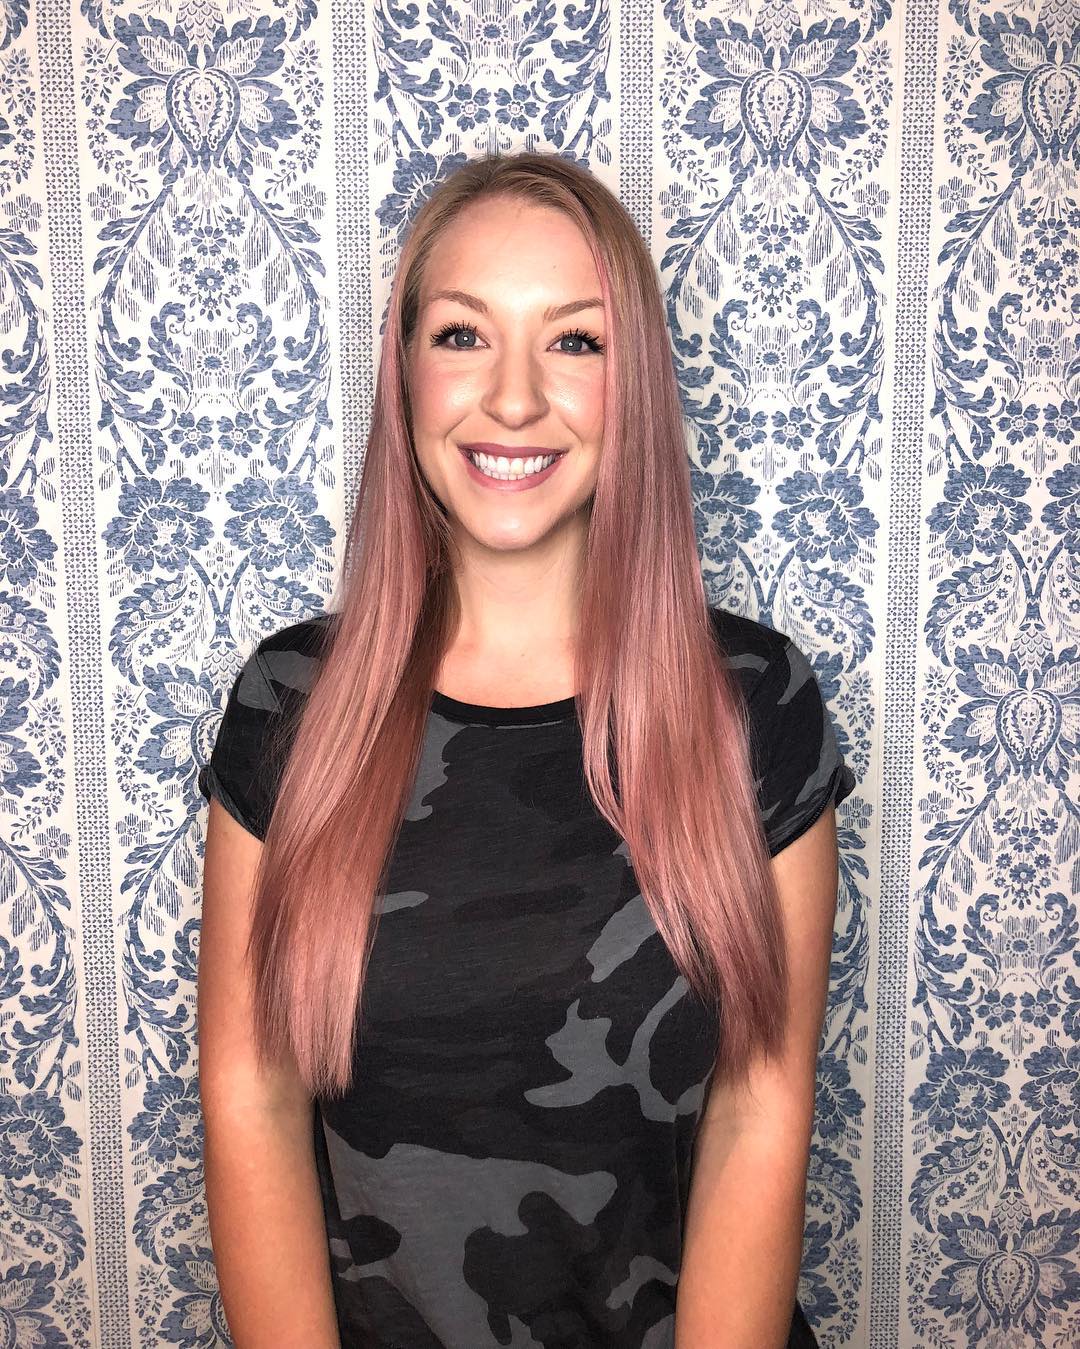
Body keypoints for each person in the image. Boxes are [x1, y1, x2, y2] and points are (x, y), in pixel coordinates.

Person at [196, 150, 856, 1349]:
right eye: (463, 334)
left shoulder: (753, 703)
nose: (513, 398)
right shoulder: (293, 705)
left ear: (632, 383)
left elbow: (761, 1104)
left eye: (575, 341)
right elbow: (251, 1092)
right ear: (404, 370)